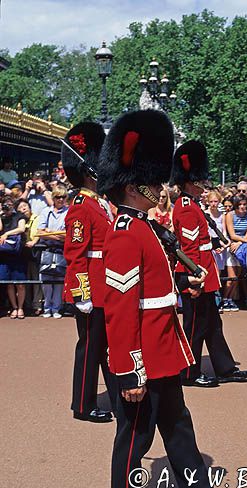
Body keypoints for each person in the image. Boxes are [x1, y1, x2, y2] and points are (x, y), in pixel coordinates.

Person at [98, 109, 219, 488]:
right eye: (152, 179)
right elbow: (121, 309)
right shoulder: (124, 234)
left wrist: (186, 281)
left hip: (164, 351)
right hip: (144, 359)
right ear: (134, 186)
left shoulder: (146, 228)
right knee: (133, 444)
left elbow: (155, 286)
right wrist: (130, 372)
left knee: (180, 431)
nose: (159, 186)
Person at [171, 140, 247, 387]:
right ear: (190, 181)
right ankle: (188, 373)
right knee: (195, 326)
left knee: (213, 324)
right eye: (200, 181)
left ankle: (225, 368)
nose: (204, 186)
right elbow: (189, 248)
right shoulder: (185, 207)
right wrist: (194, 278)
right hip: (196, 273)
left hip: (204, 271)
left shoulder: (193, 205)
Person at [62, 121, 115, 423]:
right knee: (90, 348)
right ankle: (82, 405)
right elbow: (76, 254)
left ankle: (118, 399)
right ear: (88, 169)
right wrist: (82, 293)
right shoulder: (81, 205)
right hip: (91, 288)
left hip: (104, 284)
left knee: (104, 346)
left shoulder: (101, 204)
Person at [37, 185, 68, 318]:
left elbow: (68, 235)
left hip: (61, 250)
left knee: (59, 278)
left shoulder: (69, 211)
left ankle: (56, 308)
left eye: (63, 197)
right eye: (57, 197)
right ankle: (47, 307)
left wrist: (50, 232)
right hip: (47, 249)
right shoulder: (46, 211)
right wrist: (58, 235)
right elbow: (39, 232)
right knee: (46, 279)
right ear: (53, 198)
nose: (60, 199)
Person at [224, 194, 247, 311]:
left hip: (242, 247)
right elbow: (232, 234)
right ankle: (225, 299)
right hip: (231, 247)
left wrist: (240, 243)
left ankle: (231, 300)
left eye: (244, 204)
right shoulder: (229, 215)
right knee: (231, 277)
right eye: (240, 204)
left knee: (237, 277)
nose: (242, 207)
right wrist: (238, 243)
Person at [0, 195, 26, 319]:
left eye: (10, 203)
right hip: (4, 254)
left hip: (17, 254)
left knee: (20, 283)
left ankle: (21, 307)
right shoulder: (2, 217)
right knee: (9, 283)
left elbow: (21, 229)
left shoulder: (19, 216)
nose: (7, 205)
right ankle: (14, 307)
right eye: (5, 203)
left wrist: (7, 233)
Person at [15, 199, 43, 316]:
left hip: (34, 251)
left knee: (36, 278)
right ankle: (26, 304)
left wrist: (34, 242)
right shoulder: (19, 220)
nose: (24, 209)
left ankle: (37, 304)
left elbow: (39, 232)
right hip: (21, 253)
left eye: (25, 206)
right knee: (24, 280)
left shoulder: (36, 218)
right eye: (21, 207)